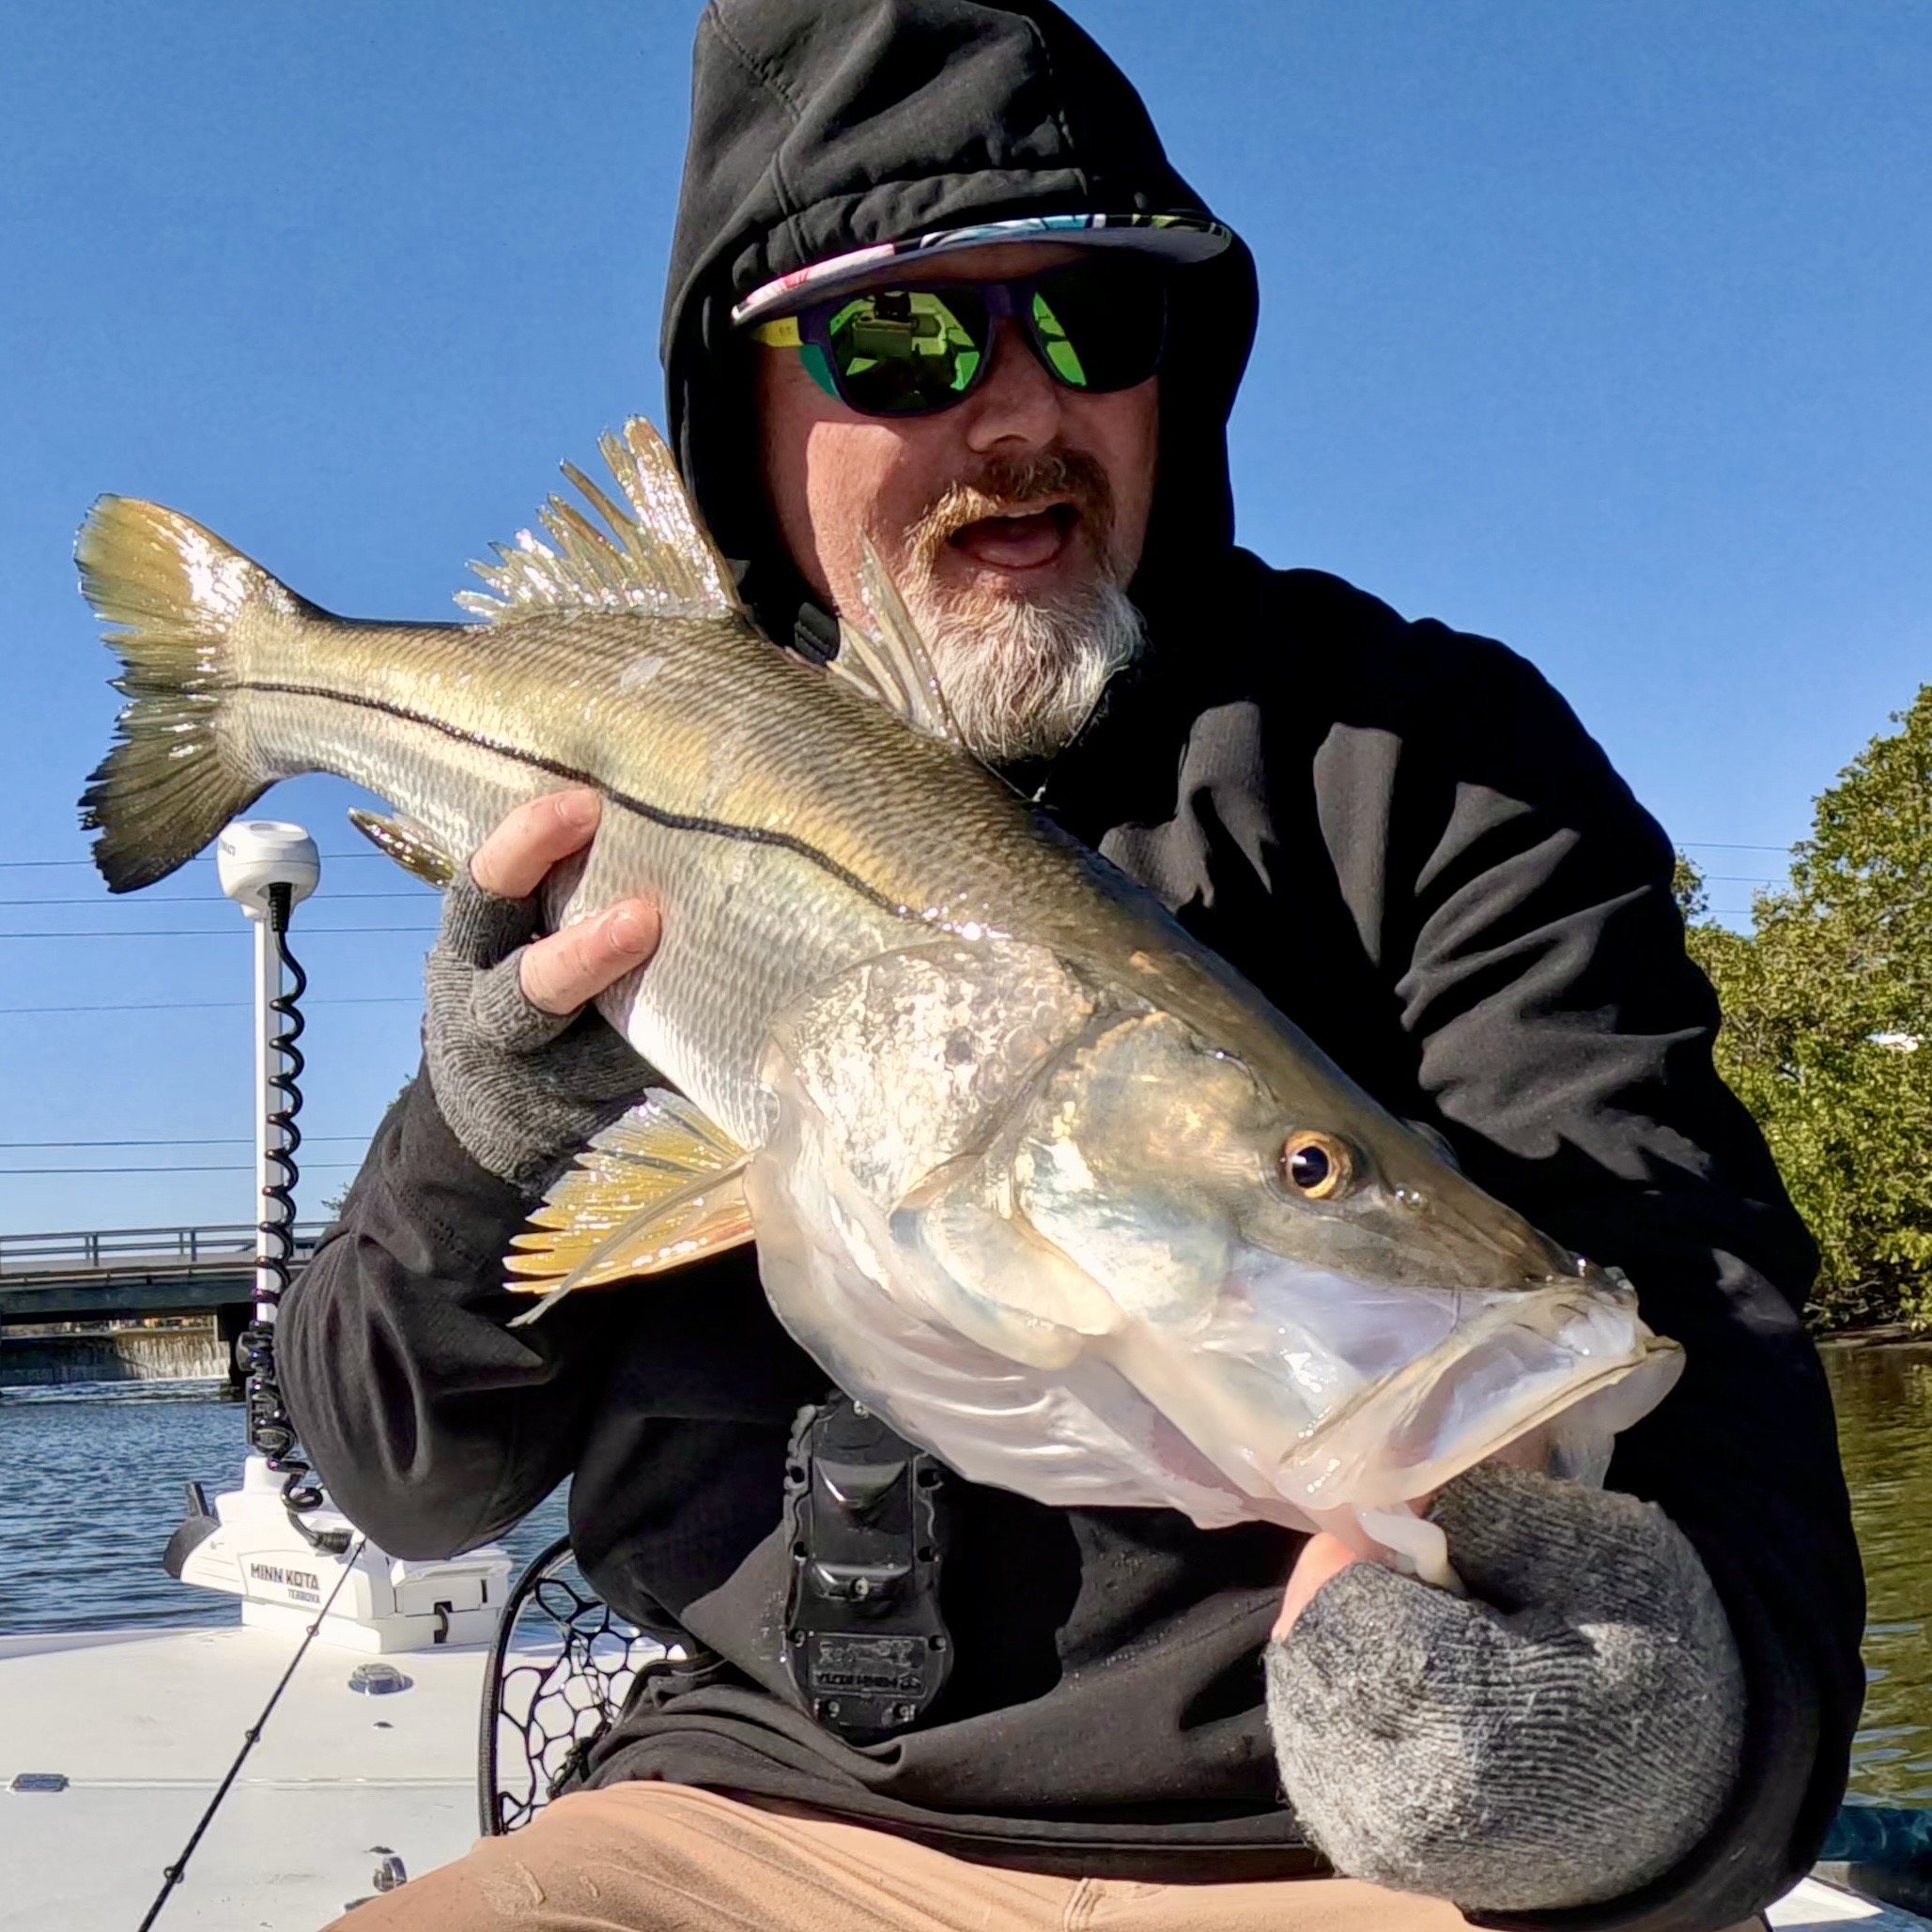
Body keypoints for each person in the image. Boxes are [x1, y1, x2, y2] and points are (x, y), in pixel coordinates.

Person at [282, 4, 1863, 1928]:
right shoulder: (627, 793)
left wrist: (1657, 1753)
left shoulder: (1425, 759)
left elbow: (1706, 1318)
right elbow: (403, 1478)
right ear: (743, 411)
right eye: (904, 338)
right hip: (740, 1824)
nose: (1020, 413)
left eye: (1099, 326)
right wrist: (486, 1128)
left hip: (1331, 1843)